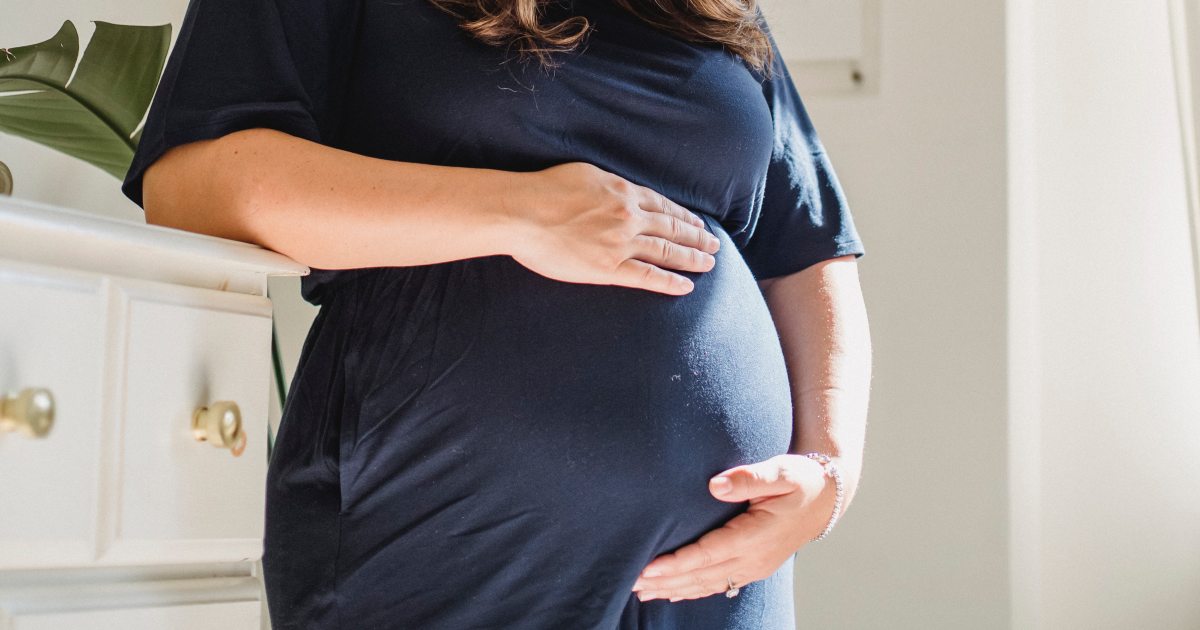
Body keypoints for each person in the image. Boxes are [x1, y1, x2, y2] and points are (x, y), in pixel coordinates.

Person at [121, 0, 873, 627]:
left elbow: (807, 250)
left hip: (723, 572)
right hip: (445, 538)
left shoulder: (711, 7)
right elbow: (194, 187)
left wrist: (828, 475)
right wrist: (519, 212)